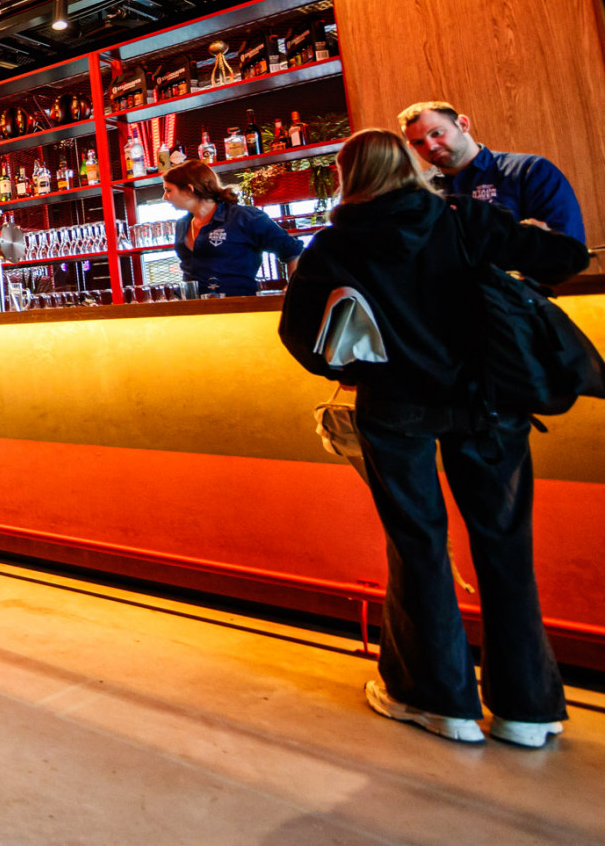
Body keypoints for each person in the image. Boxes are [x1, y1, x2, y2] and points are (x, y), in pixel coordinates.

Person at [279, 130, 590, 749]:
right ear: (411, 165)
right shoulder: (464, 217)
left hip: (395, 408)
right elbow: (566, 258)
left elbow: (299, 335)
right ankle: (526, 712)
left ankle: (437, 701)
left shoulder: (335, 243)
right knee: (505, 546)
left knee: (418, 544)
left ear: (346, 176)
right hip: (487, 402)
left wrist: (354, 367)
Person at [399, 101, 585, 241]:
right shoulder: (418, 190)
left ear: (462, 124)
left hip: (519, 280)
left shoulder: (529, 171)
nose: (430, 146)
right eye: (419, 142)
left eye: (437, 133)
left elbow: (568, 246)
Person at [164, 160, 301, 297]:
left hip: (239, 306)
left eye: (168, 190)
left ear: (189, 190)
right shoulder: (182, 225)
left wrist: (292, 292)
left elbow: (294, 252)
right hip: (193, 307)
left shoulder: (243, 217)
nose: (165, 197)